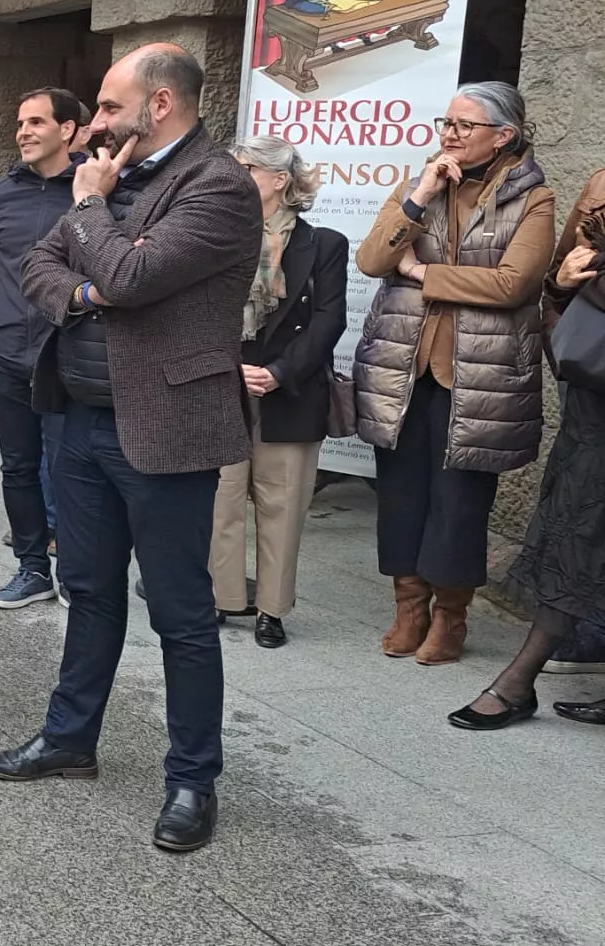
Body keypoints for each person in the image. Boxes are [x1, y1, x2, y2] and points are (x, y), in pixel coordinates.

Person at [0, 44, 261, 855]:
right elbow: (38, 263)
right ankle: (70, 737)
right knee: (88, 591)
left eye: (108, 107)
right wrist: (90, 283)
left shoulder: (218, 184)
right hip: (78, 417)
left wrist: (94, 220)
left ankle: (192, 778)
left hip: (165, 428)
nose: (96, 124)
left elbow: (138, 281)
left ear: (161, 103)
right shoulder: (113, 180)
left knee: (180, 613)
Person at [353, 81, 554, 667]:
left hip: (481, 378)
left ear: (503, 135)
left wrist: (421, 274)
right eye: (447, 122)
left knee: (460, 500)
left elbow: (514, 284)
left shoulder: (533, 197)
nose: (450, 134)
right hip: (403, 368)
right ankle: (409, 606)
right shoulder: (426, 183)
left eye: (464, 126)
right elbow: (372, 260)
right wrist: (419, 196)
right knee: (400, 493)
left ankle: (450, 616)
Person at [446, 164, 605, 730]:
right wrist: (564, 285)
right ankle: (520, 685)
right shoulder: (598, 211)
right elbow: (562, 325)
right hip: (593, 418)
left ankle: (516, 683)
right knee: (574, 541)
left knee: (579, 545)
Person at [209, 136, 348, 649]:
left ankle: (272, 609)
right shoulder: (218, 236)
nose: (235, 176)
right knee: (221, 497)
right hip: (223, 382)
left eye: (244, 168)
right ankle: (221, 599)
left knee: (282, 502)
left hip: (290, 388)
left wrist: (280, 372)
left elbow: (329, 321)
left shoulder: (324, 244)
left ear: (278, 180)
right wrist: (227, 367)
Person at [0, 88, 81, 609]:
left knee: (72, 466)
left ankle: (78, 574)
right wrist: (6, 321)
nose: (24, 132)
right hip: (7, 353)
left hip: (70, 356)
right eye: (20, 123)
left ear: (69, 130)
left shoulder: (95, 193)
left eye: (36, 122)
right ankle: (33, 569)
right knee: (17, 467)